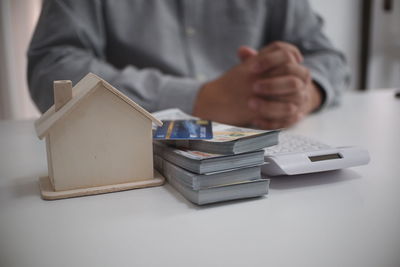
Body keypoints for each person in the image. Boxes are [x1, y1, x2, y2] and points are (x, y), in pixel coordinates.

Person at [27, 0, 350, 129]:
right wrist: (198, 99)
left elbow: (329, 59)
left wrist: (301, 93)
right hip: (129, 165)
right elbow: (52, 68)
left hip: (271, 157)